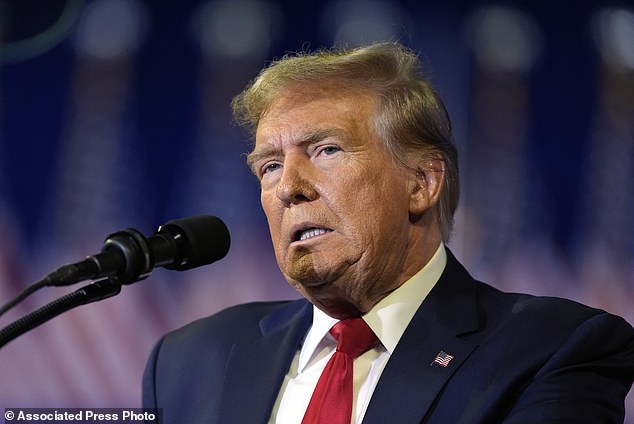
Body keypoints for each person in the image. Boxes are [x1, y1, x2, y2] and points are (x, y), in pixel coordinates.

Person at [142, 42, 634, 423]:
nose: (289, 187)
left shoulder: (548, 350)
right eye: (269, 166)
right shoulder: (188, 361)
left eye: (326, 150)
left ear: (421, 183)